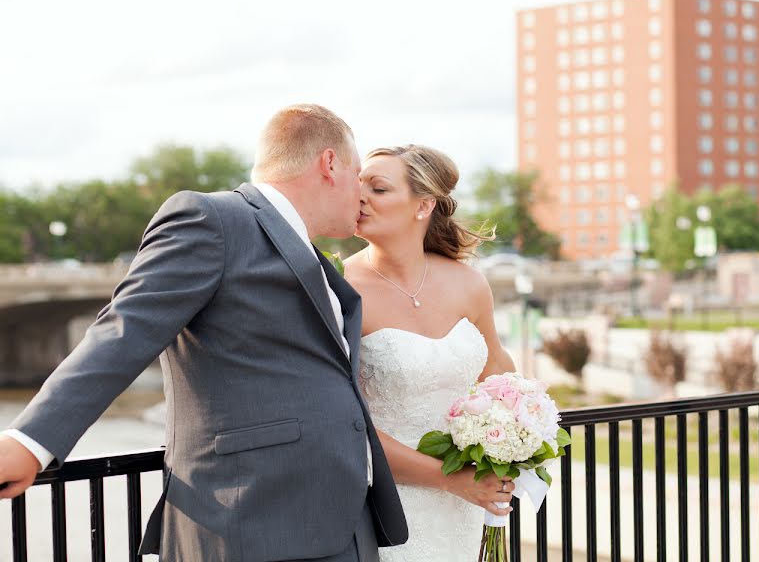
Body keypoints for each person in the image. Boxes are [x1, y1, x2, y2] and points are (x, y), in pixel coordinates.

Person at [0, 104, 407, 561]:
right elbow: (123, 332)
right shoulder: (212, 219)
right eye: (357, 174)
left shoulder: (312, 255)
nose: (361, 193)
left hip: (343, 524)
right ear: (330, 164)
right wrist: (30, 442)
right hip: (250, 524)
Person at [343, 145, 517, 561]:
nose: (359, 196)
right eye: (357, 185)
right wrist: (452, 480)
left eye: (379, 188)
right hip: (387, 506)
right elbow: (345, 424)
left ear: (424, 205)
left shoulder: (469, 283)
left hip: (465, 508)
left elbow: (501, 379)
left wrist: (522, 434)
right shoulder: (340, 287)